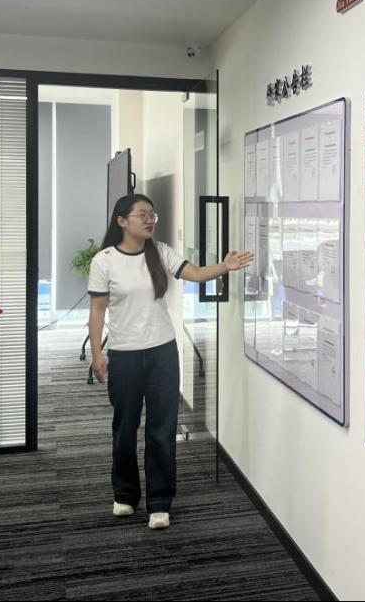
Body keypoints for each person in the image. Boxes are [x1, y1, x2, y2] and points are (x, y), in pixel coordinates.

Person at [88, 194, 252, 530]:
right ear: (122, 220)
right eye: (142, 215)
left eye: (153, 214)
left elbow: (196, 273)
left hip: (162, 352)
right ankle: (125, 493)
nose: (150, 220)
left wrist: (225, 266)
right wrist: (96, 353)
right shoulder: (104, 261)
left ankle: (160, 501)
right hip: (124, 354)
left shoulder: (160, 252)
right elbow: (97, 311)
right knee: (125, 428)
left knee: (162, 430)